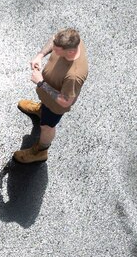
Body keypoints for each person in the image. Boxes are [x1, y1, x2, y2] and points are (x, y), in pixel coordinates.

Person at [14, 28, 89, 163]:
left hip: (55, 106)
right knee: (45, 110)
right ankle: (41, 109)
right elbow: (54, 37)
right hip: (48, 97)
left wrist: (41, 83)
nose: (53, 49)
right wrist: (40, 55)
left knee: (47, 127)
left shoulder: (74, 75)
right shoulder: (71, 39)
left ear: (70, 52)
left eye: (57, 49)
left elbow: (66, 101)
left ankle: (41, 152)